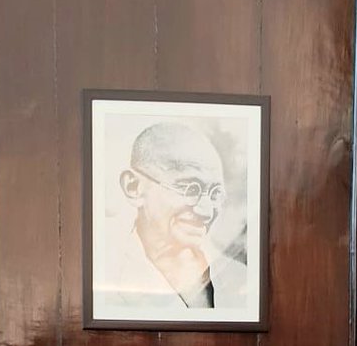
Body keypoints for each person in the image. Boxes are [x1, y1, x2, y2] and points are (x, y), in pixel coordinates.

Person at [97, 121, 248, 313]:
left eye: (214, 193)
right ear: (133, 187)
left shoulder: (241, 278)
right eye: (189, 188)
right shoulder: (105, 274)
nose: (206, 212)